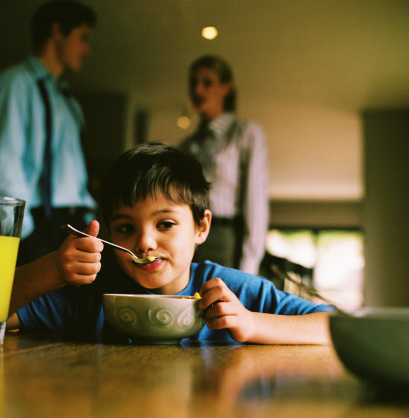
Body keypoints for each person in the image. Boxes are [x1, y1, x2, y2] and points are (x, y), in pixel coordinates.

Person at [7, 143, 333, 345]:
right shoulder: (91, 294)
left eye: (165, 224)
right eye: (124, 227)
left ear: (201, 227)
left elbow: (334, 327)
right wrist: (52, 269)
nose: (144, 242)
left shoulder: (234, 292)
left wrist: (251, 322)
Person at [0, 0, 97, 266]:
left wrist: (88, 217)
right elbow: (6, 160)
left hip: (72, 223)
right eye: (83, 38)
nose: (87, 51)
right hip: (38, 225)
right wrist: (25, 231)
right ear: (57, 32)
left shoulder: (68, 100)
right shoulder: (17, 83)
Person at [179, 55, 269, 275]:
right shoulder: (187, 145)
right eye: (193, 83)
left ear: (226, 88)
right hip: (186, 235)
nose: (198, 90)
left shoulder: (245, 133)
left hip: (224, 238)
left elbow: (256, 200)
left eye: (207, 82)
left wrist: (250, 265)